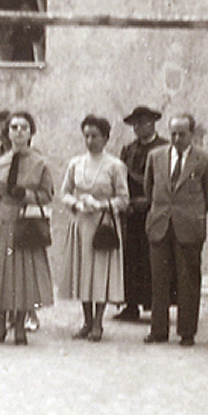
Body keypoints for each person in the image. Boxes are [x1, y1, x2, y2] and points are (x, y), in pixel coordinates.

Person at [0, 111, 55, 345]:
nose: (18, 132)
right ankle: (0, 326)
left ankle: (20, 326)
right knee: (0, 273)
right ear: (7, 133)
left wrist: (27, 194)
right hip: (1, 221)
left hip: (26, 223)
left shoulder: (39, 163)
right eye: (13, 128)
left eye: (23, 127)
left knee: (23, 275)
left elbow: (47, 194)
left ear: (31, 132)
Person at [144, 114, 208, 347]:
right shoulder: (155, 157)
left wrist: (189, 212)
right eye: (173, 133)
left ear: (192, 134)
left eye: (182, 134)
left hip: (188, 226)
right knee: (159, 280)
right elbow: (149, 189)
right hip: (160, 224)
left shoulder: (205, 160)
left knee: (188, 281)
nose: (176, 138)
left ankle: (187, 332)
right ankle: (158, 330)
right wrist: (162, 210)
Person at [58, 115, 130, 342]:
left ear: (106, 138)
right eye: (86, 136)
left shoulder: (115, 166)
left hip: (103, 225)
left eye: (95, 136)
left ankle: (98, 322)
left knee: (100, 274)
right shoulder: (75, 163)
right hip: (81, 224)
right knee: (83, 272)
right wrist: (77, 204)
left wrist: (101, 205)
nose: (90, 141)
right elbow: (64, 193)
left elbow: (123, 199)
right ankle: (86, 320)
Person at [115, 105, 166, 321]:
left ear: (152, 123)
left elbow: (164, 181)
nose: (138, 127)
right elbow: (120, 177)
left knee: (152, 258)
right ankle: (131, 304)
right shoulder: (128, 150)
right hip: (131, 211)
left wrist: (149, 200)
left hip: (153, 209)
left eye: (143, 122)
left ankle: (155, 305)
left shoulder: (163, 148)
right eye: (135, 124)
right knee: (130, 257)